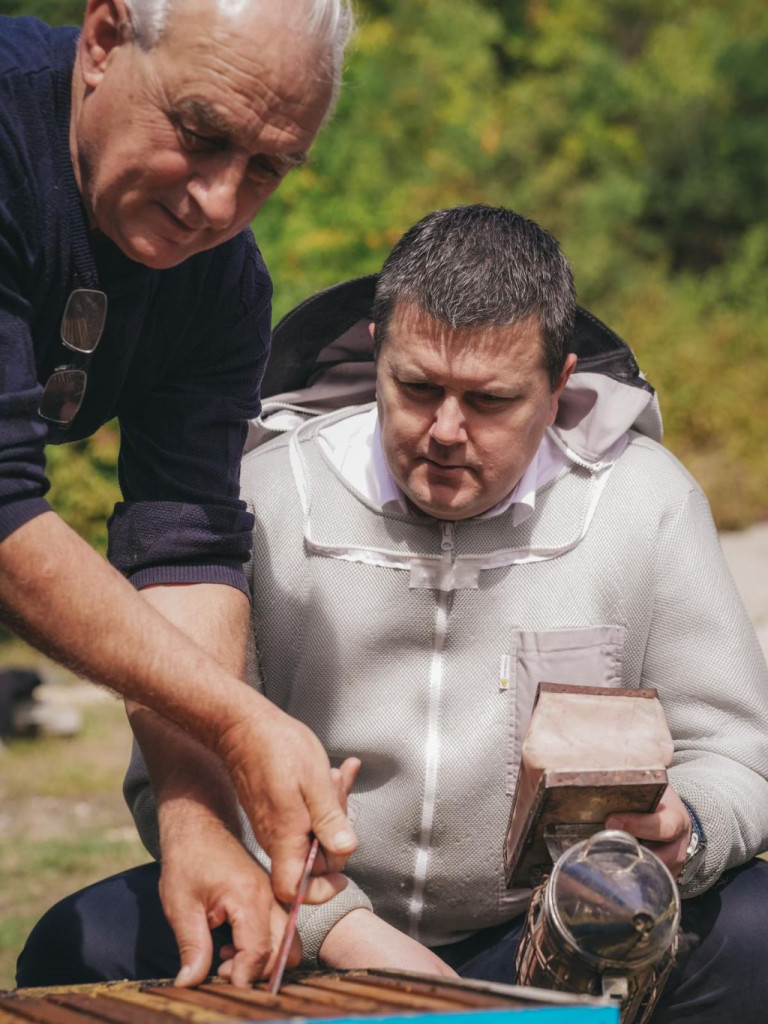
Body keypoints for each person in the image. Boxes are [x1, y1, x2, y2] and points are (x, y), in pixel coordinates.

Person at [19, 207, 768, 1024]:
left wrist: (683, 829)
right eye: (416, 388)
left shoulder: (646, 502)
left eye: (490, 401)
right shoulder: (260, 494)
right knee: (79, 945)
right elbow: (181, 784)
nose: (446, 431)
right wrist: (338, 928)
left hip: (545, 936)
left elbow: (737, 752)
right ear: (376, 348)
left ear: (559, 386)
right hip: (305, 927)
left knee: (755, 933)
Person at [0, 0, 359, 987]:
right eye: (201, 135)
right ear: (105, 40)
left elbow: (184, 549)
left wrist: (196, 818)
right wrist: (244, 723)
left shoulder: (221, 285)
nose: (217, 201)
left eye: (266, 167)